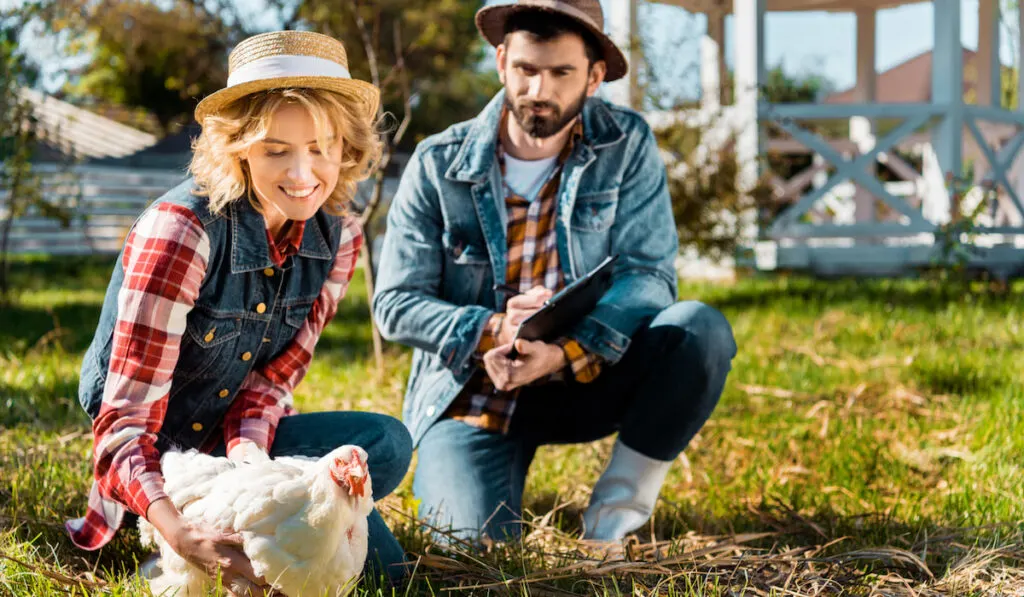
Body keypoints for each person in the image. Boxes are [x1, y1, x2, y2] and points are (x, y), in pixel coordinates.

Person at [372, 0, 737, 546]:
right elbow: (396, 303)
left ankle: (612, 524)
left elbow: (649, 275)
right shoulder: (435, 162)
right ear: (500, 62)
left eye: (561, 72)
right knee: (471, 552)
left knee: (698, 330)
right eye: (525, 69)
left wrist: (562, 350)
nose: (539, 90)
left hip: (586, 371)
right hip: (477, 391)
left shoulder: (626, 142)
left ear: (593, 77)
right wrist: (495, 328)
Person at [65, 30, 412, 591]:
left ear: (347, 148)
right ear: (238, 147)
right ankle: (152, 532)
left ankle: (253, 520)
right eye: (277, 150)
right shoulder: (182, 232)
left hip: (232, 447)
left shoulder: (339, 237)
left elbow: (271, 382)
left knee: (388, 446)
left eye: (321, 147)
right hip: (164, 458)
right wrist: (183, 535)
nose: (303, 175)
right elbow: (124, 423)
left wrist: (252, 470)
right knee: (369, 572)